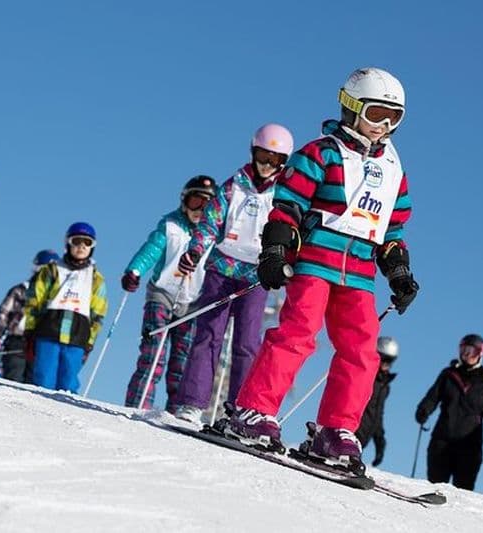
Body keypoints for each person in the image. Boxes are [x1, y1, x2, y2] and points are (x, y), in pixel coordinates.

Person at [222, 67, 419, 475]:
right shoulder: (321, 153)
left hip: (360, 273)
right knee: (297, 334)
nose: (383, 126)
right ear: (351, 108)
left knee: (363, 352)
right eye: (376, 113)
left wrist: (398, 272)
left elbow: (392, 229)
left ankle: (336, 430)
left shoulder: (394, 173)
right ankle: (254, 410)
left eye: (393, 118)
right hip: (315, 261)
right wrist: (276, 248)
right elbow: (289, 204)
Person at [173, 124, 294, 425]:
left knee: (247, 342)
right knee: (208, 334)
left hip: (256, 274)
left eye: (275, 160)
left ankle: (241, 408)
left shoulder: (283, 194)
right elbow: (211, 221)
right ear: (253, 152)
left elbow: (291, 231)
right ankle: (192, 403)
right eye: (264, 156)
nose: (267, 165)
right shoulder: (234, 186)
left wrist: (285, 263)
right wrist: (195, 251)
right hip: (222, 267)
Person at [122, 176, 217, 412]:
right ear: (185, 201)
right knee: (153, 353)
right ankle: (138, 405)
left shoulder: (214, 236)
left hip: (193, 302)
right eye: (196, 202)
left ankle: (174, 412)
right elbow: (151, 251)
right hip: (162, 294)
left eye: (205, 205)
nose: (199, 210)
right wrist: (134, 271)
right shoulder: (171, 225)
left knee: (182, 362)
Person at [414, 333, 483, 491]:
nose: (466, 355)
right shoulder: (448, 375)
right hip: (442, 440)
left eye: (471, 351)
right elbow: (432, 397)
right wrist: (423, 411)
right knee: (435, 486)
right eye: (464, 350)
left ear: (480, 354)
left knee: (463, 490)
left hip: (469, 445)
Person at [23, 223, 108, 393]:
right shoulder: (52, 270)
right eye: (77, 241)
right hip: (50, 328)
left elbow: (98, 312)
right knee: (44, 376)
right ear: (68, 243)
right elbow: (34, 299)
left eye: (87, 243)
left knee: (68, 379)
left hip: (78, 333)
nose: (81, 247)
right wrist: (30, 328)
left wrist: (90, 340)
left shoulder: (96, 278)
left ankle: (66, 411)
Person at [0, 249, 60, 382]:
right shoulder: (21, 290)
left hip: (40, 345)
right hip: (17, 342)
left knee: (36, 382)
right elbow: (3, 316)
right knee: (14, 378)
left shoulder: (56, 297)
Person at [356, 336, 399, 468]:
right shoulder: (364, 376)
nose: (386, 364)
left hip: (361, 442)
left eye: (390, 361)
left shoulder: (384, 385)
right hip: (351, 434)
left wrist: (380, 440)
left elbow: (377, 414)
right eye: (383, 359)